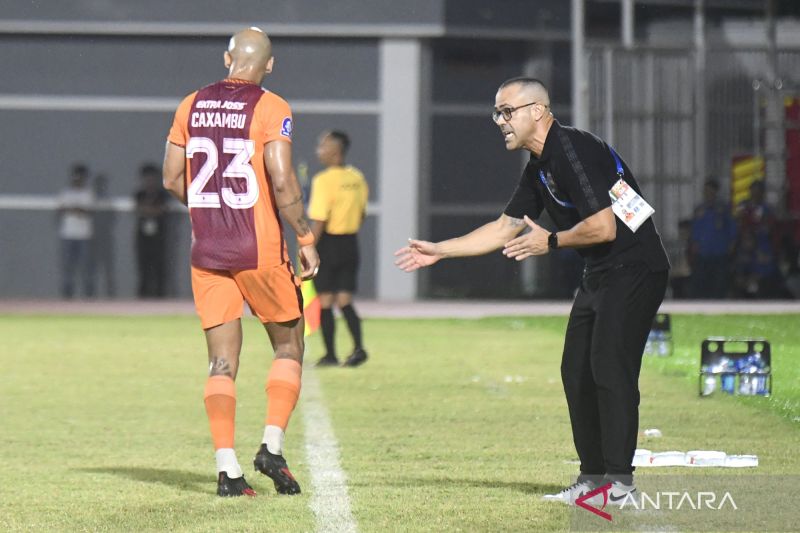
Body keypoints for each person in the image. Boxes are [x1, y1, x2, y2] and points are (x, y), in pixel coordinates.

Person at [395, 77, 669, 505]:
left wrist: (551, 241)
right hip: (602, 270)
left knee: (609, 367)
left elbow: (604, 227)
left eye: (507, 111)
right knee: (576, 371)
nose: (499, 121)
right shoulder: (540, 165)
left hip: (636, 268)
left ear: (537, 111)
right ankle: (592, 479)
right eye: (497, 113)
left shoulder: (573, 149)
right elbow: (504, 227)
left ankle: (620, 485)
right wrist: (440, 250)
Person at [162, 27, 320, 497]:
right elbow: (282, 179)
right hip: (259, 248)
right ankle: (271, 446)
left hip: (207, 251)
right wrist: (305, 236)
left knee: (220, 362)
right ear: (269, 65)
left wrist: (211, 211)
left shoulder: (190, 104)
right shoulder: (272, 106)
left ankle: (227, 470)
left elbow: (172, 178)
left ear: (226, 57)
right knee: (289, 345)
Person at [307, 130, 370, 367]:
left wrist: (309, 248)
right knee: (345, 300)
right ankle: (359, 348)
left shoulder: (323, 180)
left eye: (322, 146)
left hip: (328, 243)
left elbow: (320, 220)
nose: (319, 151)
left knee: (325, 300)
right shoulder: (357, 178)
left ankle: (330, 355)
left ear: (334, 151)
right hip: (350, 243)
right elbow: (361, 214)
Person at [688, 178, 736, 298]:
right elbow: (695, 229)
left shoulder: (723, 209)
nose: (708, 194)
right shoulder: (699, 210)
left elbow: (732, 228)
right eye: (706, 191)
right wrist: (694, 243)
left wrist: (731, 244)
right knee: (702, 283)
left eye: (711, 191)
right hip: (703, 252)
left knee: (719, 283)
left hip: (720, 252)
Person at [57, 163, 95, 299]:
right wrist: (77, 209)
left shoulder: (88, 193)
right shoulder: (65, 193)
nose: (78, 178)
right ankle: (67, 295)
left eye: (81, 176)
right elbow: (61, 210)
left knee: (86, 266)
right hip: (68, 234)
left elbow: (87, 211)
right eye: (76, 175)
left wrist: (73, 209)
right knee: (67, 266)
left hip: (84, 235)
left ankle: (88, 295)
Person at [134, 163, 170, 298]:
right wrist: (152, 210)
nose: (150, 181)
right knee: (143, 266)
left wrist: (149, 210)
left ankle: (160, 296)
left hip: (159, 237)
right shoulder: (139, 194)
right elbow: (139, 209)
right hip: (143, 236)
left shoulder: (162, 194)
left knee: (159, 266)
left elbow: (162, 210)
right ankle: (143, 296)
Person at [92, 174, 117, 298]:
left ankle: (110, 294)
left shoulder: (108, 200)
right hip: (92, 238)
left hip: (106, 237)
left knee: (108, 267)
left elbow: (112, 217)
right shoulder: (90, 199)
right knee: (91, 267)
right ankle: (90, 294)